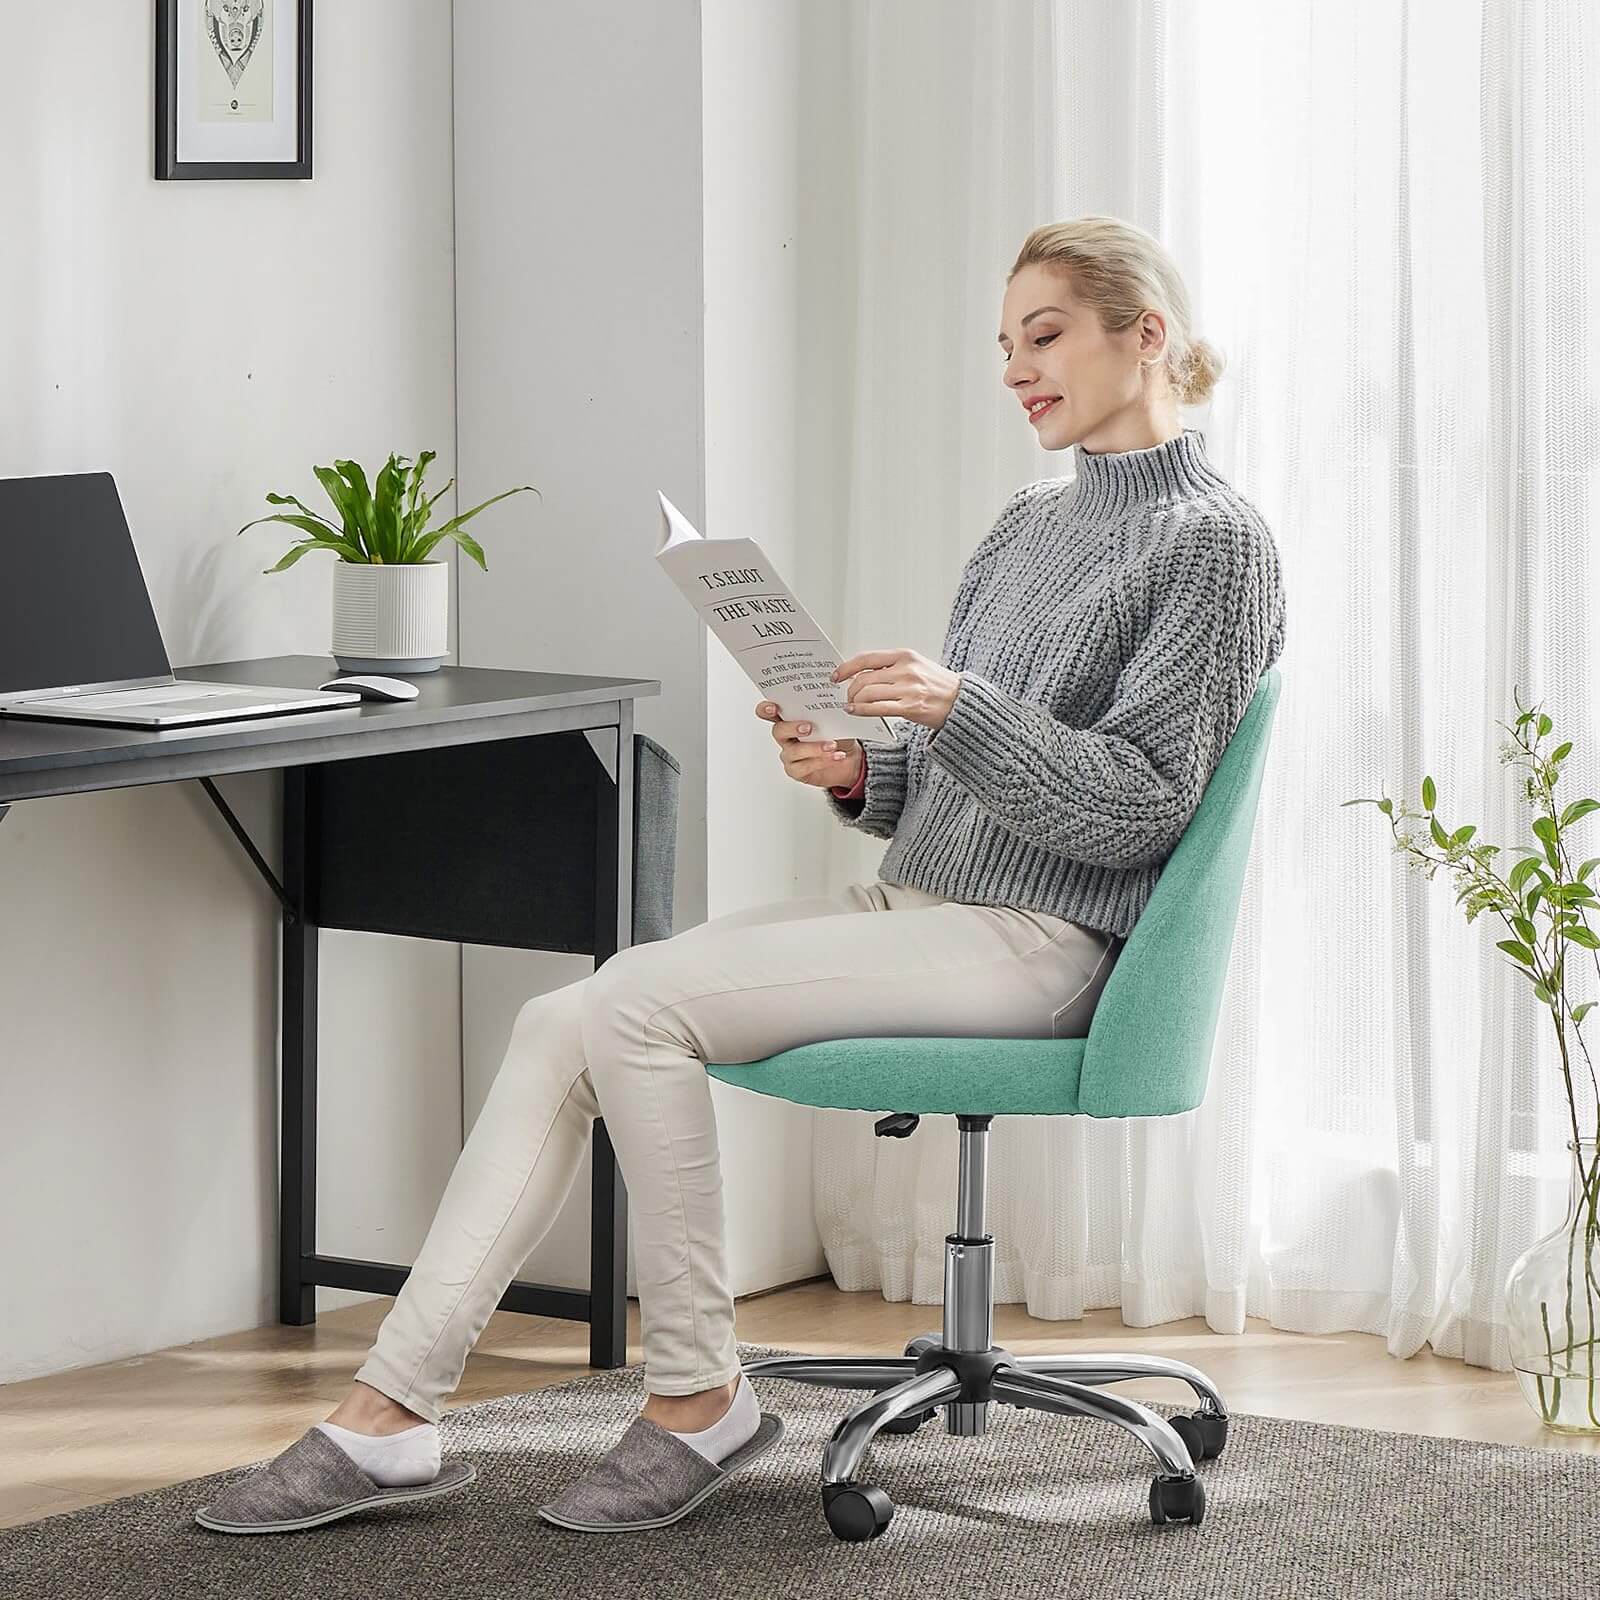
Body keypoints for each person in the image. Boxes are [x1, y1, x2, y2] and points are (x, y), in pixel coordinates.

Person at [194, 214, 1286, 1535]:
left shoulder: (1214, 543)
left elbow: (1139, 808)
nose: (1017, 370)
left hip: (1050, 942)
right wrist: (858, 769)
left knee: (633, 1004)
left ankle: (696, 1397)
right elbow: (957, 789)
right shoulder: (1021, 529)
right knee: (565, 1020)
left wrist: (958, 707)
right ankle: (388, 1415)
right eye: (1005, 347)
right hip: (932, 910)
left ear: (1145, 332)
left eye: (1043, 336)